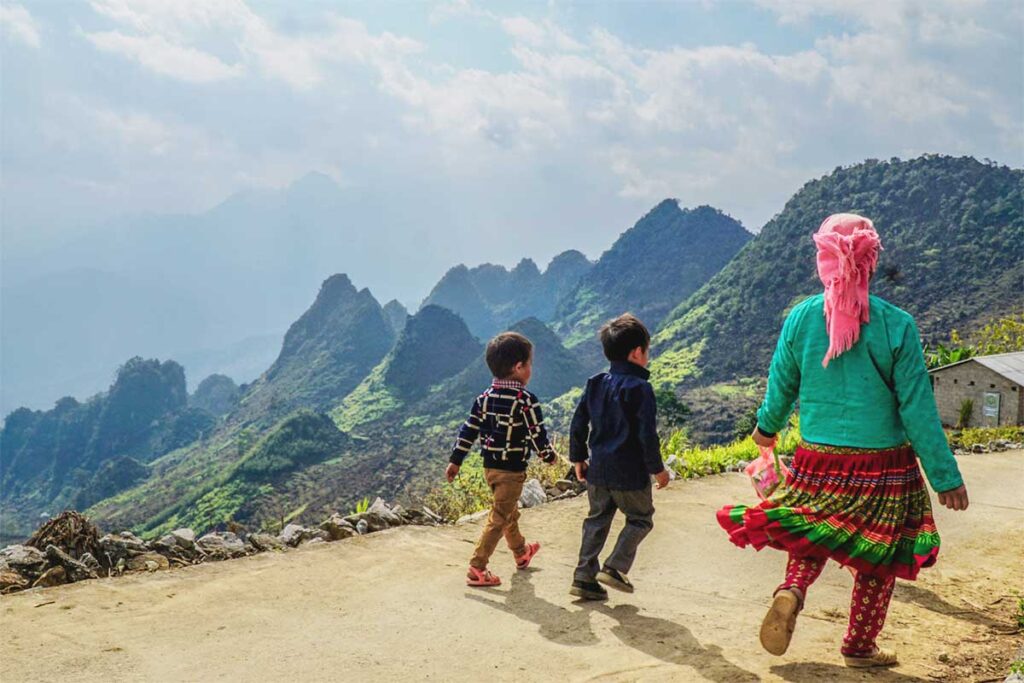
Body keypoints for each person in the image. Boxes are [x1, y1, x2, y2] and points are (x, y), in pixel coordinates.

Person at [716, 213, 969, 668]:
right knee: (878, 552)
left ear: (825, 261)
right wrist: (945, 476)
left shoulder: (801, 319)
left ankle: (791, 590)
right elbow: (917, 410)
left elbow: (782, 386)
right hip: (883, 464)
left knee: (812, 533)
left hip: (817, 456)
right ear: (870, 261)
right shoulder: (897, 325)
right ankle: (859, 646)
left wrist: (766, 429)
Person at [569, 313, 671, 601]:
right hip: (630, 473)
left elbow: (578, 423)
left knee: (596, 520)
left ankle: (584, 577)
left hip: (598, 470)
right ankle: (614, 567)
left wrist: (578, 458)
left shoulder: (596, 383)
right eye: (647, 350)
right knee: (641, 519)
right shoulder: (640, 388)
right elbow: (646, 435)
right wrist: (658, 469)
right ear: (637, 353)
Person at [446, 331, 558, 587]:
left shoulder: (483, 399)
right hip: (511, 470)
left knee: (508, 512)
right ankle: (477, 567)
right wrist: (549, 456)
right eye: (529, 364)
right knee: (499, 515)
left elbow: (468, 430)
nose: (531, 369)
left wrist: (456, 460)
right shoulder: (525, 400)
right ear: (519, 367)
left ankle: (521, 552)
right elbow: (536, 435)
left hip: (490, 468)